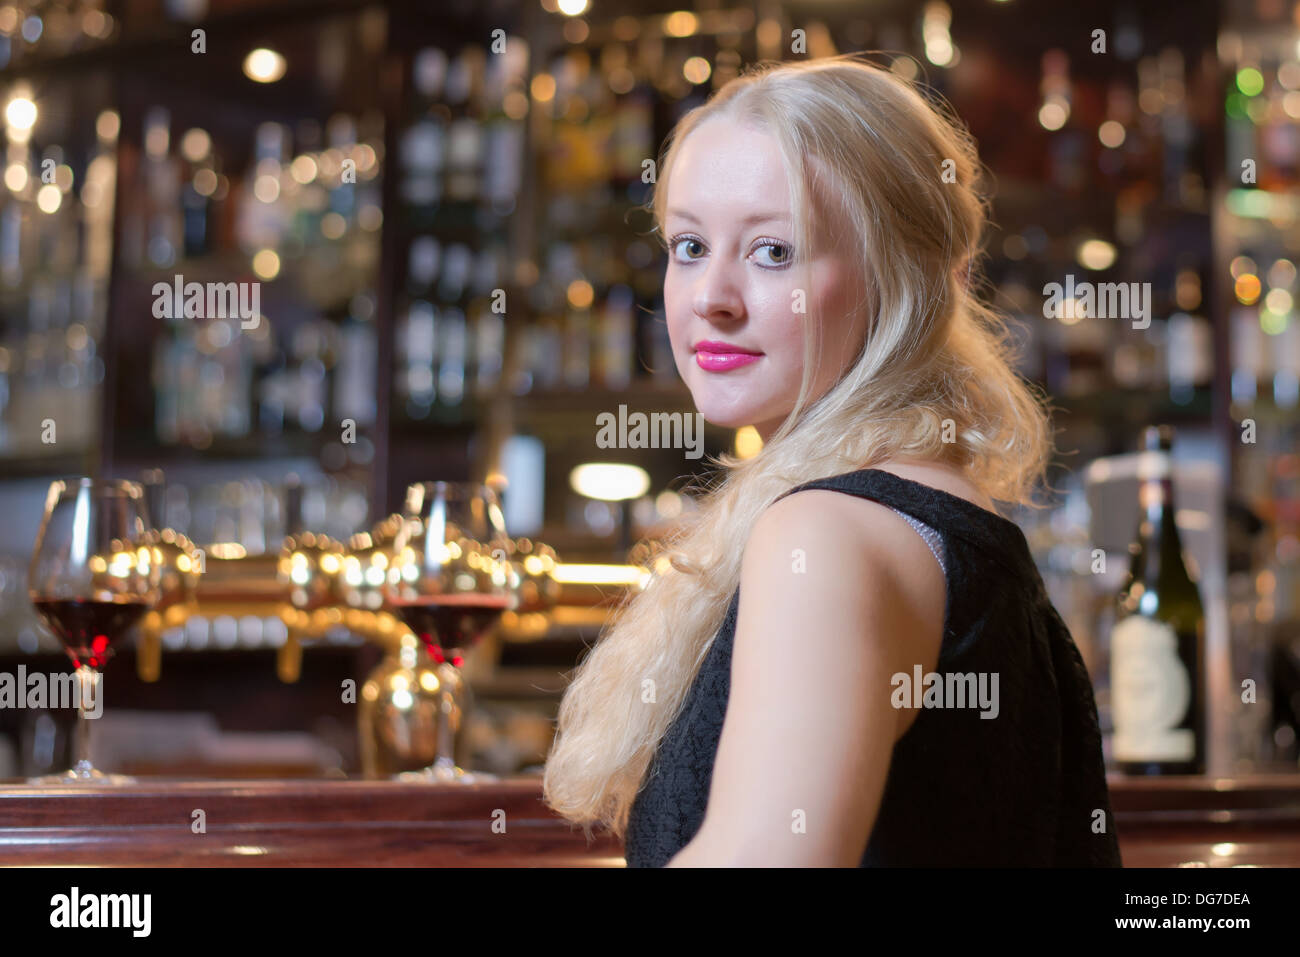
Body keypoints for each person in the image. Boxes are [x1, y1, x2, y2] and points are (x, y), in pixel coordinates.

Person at [542, 54, 1122, 867]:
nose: (712, 294)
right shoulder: (936, 517)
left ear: (905, 278)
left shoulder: (827, 534)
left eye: (775, 251)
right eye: (688, 244)